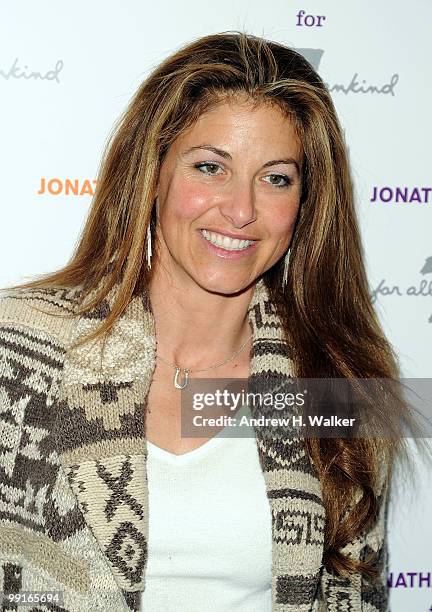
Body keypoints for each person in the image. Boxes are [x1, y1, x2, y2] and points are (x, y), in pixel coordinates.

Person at [0, 30, 421, 612]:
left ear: (306, 202)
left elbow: (353, 595)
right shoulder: (17, 347)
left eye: (276, 178)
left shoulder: (337, 382)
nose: (242, 210)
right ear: (152, 172)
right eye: (209, 167)